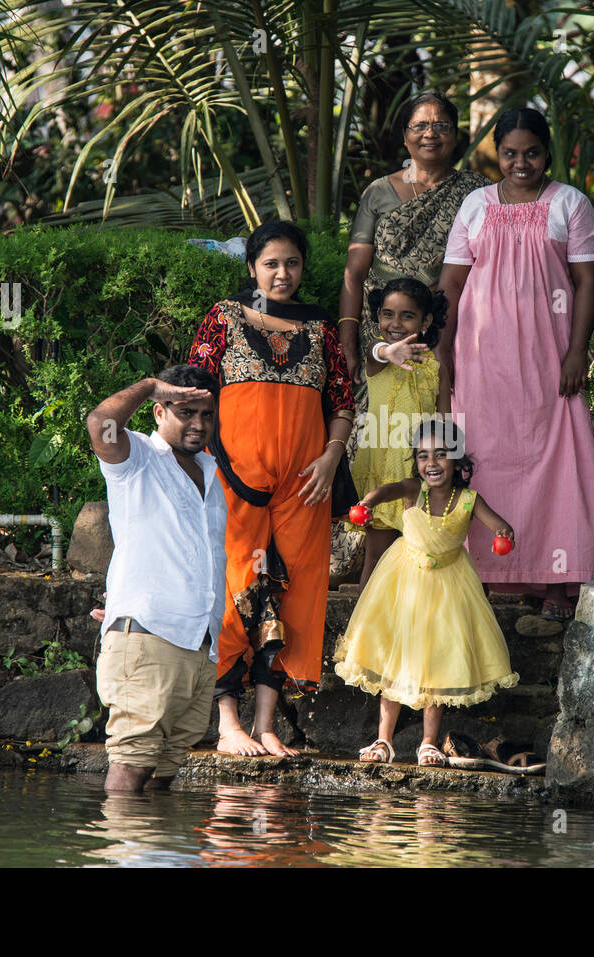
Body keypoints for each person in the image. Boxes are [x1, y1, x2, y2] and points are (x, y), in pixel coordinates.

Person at [187, 220, 355, 755]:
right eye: (271, 263)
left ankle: (265, 725)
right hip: (235, 479)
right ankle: (227, 723)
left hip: (307, 485)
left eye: (293, 263)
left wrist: (331, 456)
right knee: (237, 589)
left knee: (296, 594)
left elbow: (342, 402)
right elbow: (196, 392)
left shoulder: (321, 328)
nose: (283, 274)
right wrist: (219, 462)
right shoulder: (224, 317)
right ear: (252, 268)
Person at [436, 107, 594, 621]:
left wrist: (577, 352)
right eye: (510, 153)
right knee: (482, 460)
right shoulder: (475, 205)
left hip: (548, 359)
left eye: (531, 152)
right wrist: (444, 356)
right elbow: (451, 286)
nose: (520, 162)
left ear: (547, 152)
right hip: (482, 359)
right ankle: (478, 580)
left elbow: (587, 282)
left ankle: (556, 584)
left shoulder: (570, 204)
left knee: (555, 462)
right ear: (497, 154)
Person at [334, 418, 519, 767]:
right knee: (393, 660)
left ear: (457, 460)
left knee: (435, 664)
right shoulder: (411, 490)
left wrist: (504, 532)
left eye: (440, 455)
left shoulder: (467, 499)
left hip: (448, 585)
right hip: (403, 582)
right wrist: (368, 504)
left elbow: (496, 523)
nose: (431, 463)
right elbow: (384, 491)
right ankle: (384, 739)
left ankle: (428, 743)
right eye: (422, 456)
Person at [85, 365, 226, 793]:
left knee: (161, 776)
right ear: (159, 412)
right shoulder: (138, 459)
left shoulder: (212, 471)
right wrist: (147, 385)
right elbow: (99, 424)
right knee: (131, 767)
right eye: (186, 412)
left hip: (199, 643)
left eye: (206, 414)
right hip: (149, 636)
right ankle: (124, 850)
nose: (198, 424)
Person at [337, 91, 491, 379]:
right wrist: (347, 343)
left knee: (437, 413)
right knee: (382, 418)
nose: (430, 134)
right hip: (381, 330)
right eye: (419, 126)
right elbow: (354, 273)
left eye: (441, 126)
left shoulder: (477, 193)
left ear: (455, 136)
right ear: (405, 137)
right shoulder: (378, 192)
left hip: (447, 327)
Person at [349, 278, 446, 587]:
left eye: (407, 315)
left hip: (420, 474)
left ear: (426, 321)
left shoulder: (438, 367)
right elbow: (374, 350)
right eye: (387, 314)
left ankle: (408, 627)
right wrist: (387, 350)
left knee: (418, 556)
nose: (395, 322)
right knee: (377, 556)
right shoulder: (379, 359)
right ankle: (365, 630)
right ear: (378, 317)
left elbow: (444, 423)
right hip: (383, 472)